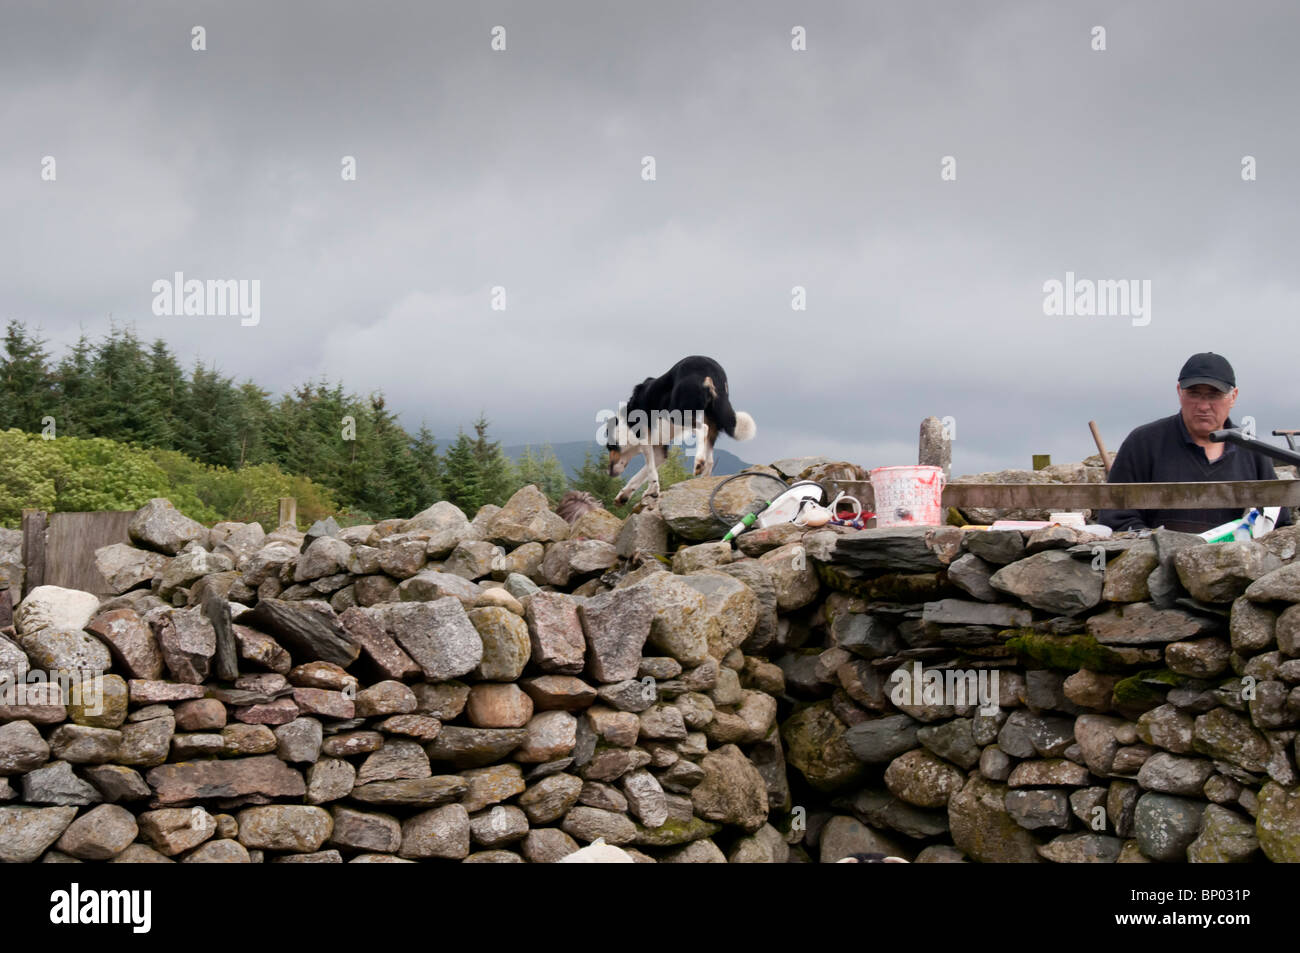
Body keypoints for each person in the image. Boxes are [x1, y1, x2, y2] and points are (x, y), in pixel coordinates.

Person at [1096, 352, 1292, 534]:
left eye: (1214, 395)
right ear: (1179, 392)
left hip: (1235, 566)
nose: (1203, 406)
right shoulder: (1143, 443)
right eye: (1194, 393)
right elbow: (1116, 517)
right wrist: (1158, 549)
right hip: (1156, 566)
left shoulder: (1252, 451)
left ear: (1233, 397)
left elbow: (1278, 524)